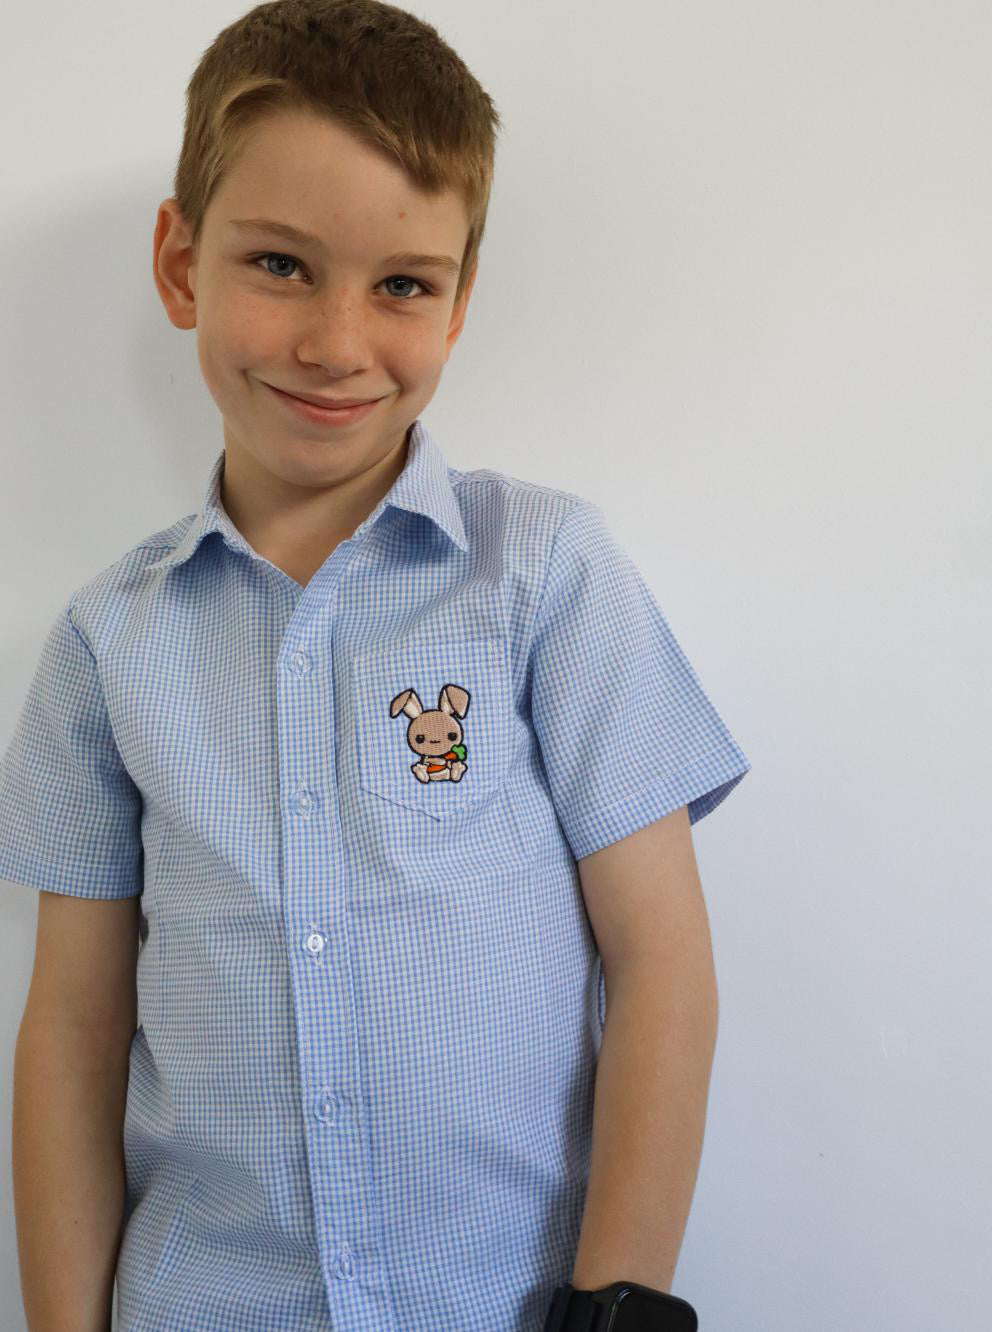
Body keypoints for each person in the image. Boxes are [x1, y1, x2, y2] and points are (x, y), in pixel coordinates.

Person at [1, 1, 751, 1328]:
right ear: (181, 264)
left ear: (458, 301)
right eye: (281, 264)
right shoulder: (106, 643)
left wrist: (619, 1306)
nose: (338, 343)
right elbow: (71, 1034)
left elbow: (663, 967)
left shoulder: (543, 573)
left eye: (402, 283)